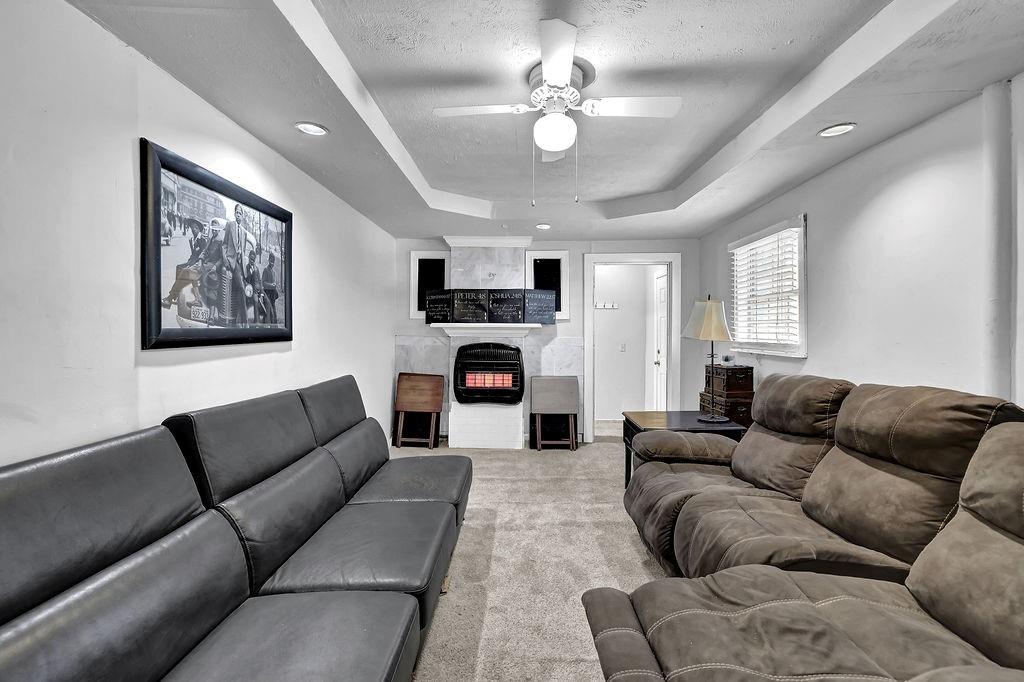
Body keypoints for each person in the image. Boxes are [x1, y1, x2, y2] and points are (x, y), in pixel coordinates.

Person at [161, 222, 208, 308]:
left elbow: (203, 255)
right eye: (192, 227)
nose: (194, 229)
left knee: (184, 272)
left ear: (199, 229)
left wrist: (190, 265)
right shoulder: (192, 240)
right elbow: (193, 255)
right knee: (179, 267)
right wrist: (188, 263)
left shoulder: (202, 240)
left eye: (196, 228)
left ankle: (170, 297)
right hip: (193, 262)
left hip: (199, 265)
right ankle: (176, 294)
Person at [222, 204, 248, 326]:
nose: (238, 215)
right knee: (242, 288)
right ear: (234, 214)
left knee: (241, 289)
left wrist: (244, 268)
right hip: (231, 261)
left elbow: (243, 251)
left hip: (240, 264)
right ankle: (245, 321)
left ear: (242, 216)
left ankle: (236, 320)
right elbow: (224, 244)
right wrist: (225, 259)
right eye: (237, 212)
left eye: (240, 213)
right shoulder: (230, 225)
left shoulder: (244, 232)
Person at [262, 251, 279, 324]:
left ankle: (274, 324)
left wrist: (275, 284)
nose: (272, 263)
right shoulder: (266, 270)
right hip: (267, 294)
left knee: (274, 311)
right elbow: (263, 283)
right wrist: (271, 285)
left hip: (272, 295)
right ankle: (266, 325)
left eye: (273, 262)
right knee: (268, 311)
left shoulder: (274, 272)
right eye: (271, 261)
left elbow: (275, 281)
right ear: (268, 260)